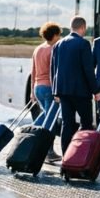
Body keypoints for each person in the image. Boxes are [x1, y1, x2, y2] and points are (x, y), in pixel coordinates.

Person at [51, 16, 99, 155]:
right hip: (81, 92)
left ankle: (66, 156)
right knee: (86, 124)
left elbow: (53, 69)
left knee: (67, 124)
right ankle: (82, 155)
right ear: (82, 28)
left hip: (64, 93)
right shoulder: (83, 44)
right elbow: (88, 70)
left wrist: (56, 92)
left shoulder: (59, 44)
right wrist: (95, 90)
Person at [30, 21, 62, 162]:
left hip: (38, 87)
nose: (60, 38)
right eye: (59, 35)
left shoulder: (38, 49)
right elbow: (55, 73)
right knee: (51, 120)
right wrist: (58, 91)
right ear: (54, 35)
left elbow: (33, 71)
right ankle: (48, 151)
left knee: (45, 115)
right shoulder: (54, 49)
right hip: (49, 88)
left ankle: (30, 132)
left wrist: (32, 91)